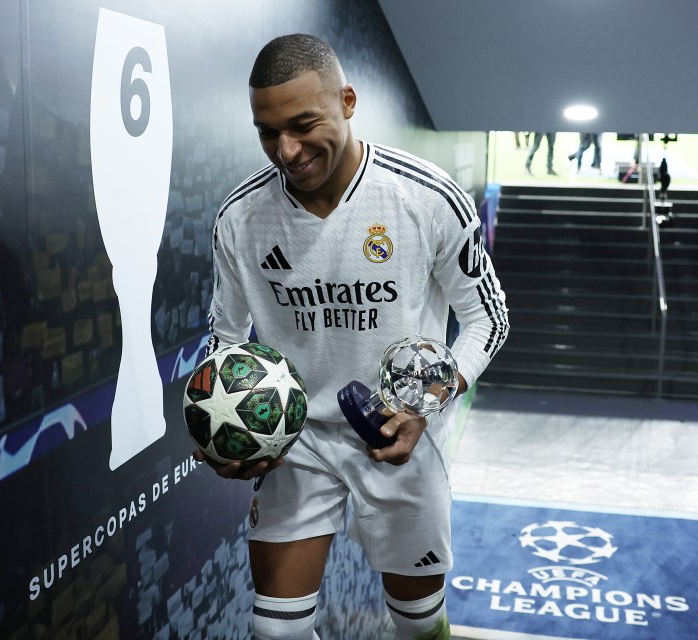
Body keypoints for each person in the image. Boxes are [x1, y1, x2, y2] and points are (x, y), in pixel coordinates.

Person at [197, 34, 509, 640]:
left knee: (417, 626)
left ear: (347, 100)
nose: (286, 150)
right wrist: (223, 426)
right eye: (267, 132)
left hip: (398, 437)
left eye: (303, 124)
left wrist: (426, 407)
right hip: (299, 442)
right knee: (276, 632)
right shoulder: (240, 219)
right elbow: (227, 338)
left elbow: (486, 320)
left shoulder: (425, 196)